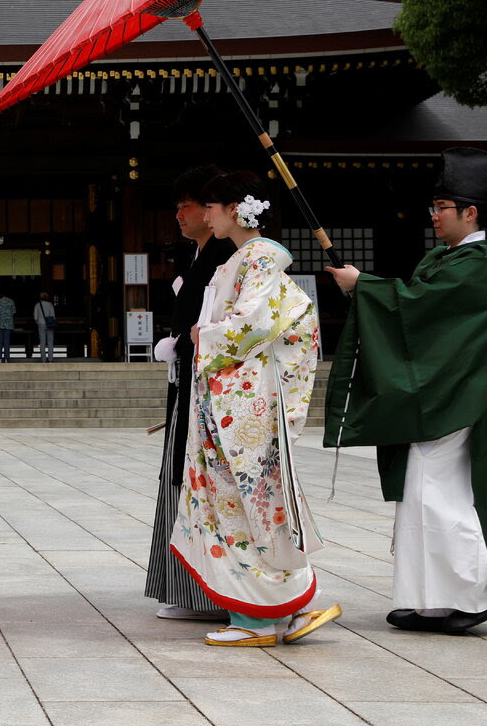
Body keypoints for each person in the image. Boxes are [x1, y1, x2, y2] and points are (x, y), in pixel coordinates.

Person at [323, 147, 487, 634]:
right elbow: (414, 311)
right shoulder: (446, 258)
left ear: (470, 212)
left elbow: (416, 312)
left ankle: (476, 592)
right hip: (440, 396)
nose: (433, 215)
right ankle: (429, 600)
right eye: (434, 206)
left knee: (441, 495)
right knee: (421, 493)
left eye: (442, 207)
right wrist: (366, 288)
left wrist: (363, 285)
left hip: (453, 398)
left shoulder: (474, 266)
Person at [169, 170, 341, 647]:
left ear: (235, 210)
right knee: (246, 501)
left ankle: (260, 617)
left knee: (244, 501)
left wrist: (203, 336)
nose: (205, 215)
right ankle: (287, 603)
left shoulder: (260, 258)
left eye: (212, 207)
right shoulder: (244, 259)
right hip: (230, 396)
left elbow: (253, 324)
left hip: (243, 401)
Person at [146, 165, 234, 622]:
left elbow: (223, 326)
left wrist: (180, 342)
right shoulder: (200, 257)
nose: (179, 214)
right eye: (177, 205)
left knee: (201, 480)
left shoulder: (226, 258)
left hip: (211, 392)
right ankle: (186, 588)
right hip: (188, 385)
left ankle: (212, 592)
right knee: (181, 478)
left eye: (190, 205)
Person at [33, 291, 56, 362]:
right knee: (50, 342)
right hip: (49, 324)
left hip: (41, 324)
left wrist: (38, 322)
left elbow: (35, 317)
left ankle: (43, 359)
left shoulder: (37, 305)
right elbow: (53, 316)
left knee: (42, 342)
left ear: (40, 297)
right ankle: (50, 359)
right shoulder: (50, 305)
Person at [0, 292, 15, 362]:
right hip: (8, 324)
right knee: (6, 341)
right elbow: (14, 311)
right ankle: (6, 358)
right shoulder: (11, 301)